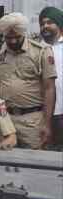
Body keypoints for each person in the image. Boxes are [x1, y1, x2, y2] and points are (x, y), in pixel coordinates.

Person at [0, 13, 57, 149]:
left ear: (23, 33)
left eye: (17, 37)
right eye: (9, 38)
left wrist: (47, 124)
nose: (13, 41)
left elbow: (49, 88)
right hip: (5, 119)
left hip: (33, 121)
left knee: (34, 164)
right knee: (3, 161)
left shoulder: (41, 52)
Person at [39, 7, 63, 148]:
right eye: (42, 24)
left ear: (59, 24)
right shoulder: (38, 48)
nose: (45, 26)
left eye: (49, 22)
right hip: (45, 113)